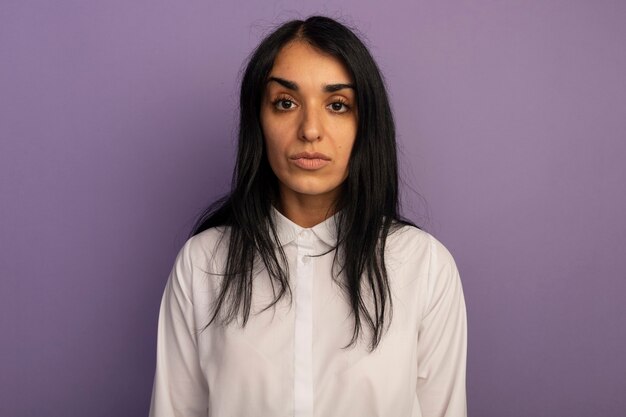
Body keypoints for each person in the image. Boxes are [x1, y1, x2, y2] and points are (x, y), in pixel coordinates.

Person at [149, 15, 467, 417]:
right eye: (286, 103)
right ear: (258, 120)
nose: (310, 129)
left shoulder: (425, 267)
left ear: (364, 123)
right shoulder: (202, 264)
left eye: (337, 105)